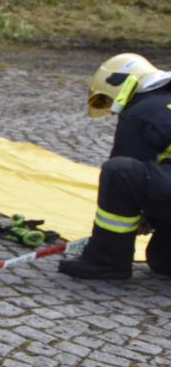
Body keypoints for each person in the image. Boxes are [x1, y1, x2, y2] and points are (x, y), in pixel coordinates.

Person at [58, 53, 171, 280]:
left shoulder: (141, 113)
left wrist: (143, 216)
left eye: (106, 99)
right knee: (163, 260)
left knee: (118, 172)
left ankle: (106, 261)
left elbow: (126, 179)